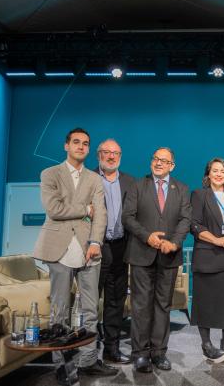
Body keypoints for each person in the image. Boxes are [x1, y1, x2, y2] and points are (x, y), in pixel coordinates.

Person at [33, 127, 118, 381]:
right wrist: (86, 209)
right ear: (66, 146)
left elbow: (100, 214)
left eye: (85, 144)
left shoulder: (95, 179)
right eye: (77, 142)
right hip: (58, 249)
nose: (81, 147)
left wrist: (95, 241)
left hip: (88, 249)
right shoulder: (50, 174)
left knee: (91, 309)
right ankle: (62, 364)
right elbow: (54, 208)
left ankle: (88, 360)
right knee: (60, 309)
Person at [122, 147, 191, 373]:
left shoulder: (181, 188)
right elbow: (128, 217)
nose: (159, 163)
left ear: (172, 165)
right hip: (141, 254)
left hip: (169, 256)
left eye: (164, 160)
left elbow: (185, 220)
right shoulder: (137, 185)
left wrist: (175, 242)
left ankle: (159, 352)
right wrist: (147, 236)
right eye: (155, 159)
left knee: (163, 305)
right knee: (141, 307)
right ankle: (140, 354)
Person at [190, 158, 224, 364]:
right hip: (208, 257)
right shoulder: (199, 195)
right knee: (206, 302)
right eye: (215, 170)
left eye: (223, 171)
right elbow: (194, 225)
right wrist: (215, 239)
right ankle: (206, 345)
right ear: (208, 174)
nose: (219, 174)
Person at [93, 138, 135, 364]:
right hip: (95, 249)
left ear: (120, 157)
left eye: (116, 153)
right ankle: (87, 353)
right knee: (90, 303)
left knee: (116, 302)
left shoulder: (130, 182)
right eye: (107, 152)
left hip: (121, 248)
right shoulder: (88, 178)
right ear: (99, 154)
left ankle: (112, 349)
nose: (111, 157)